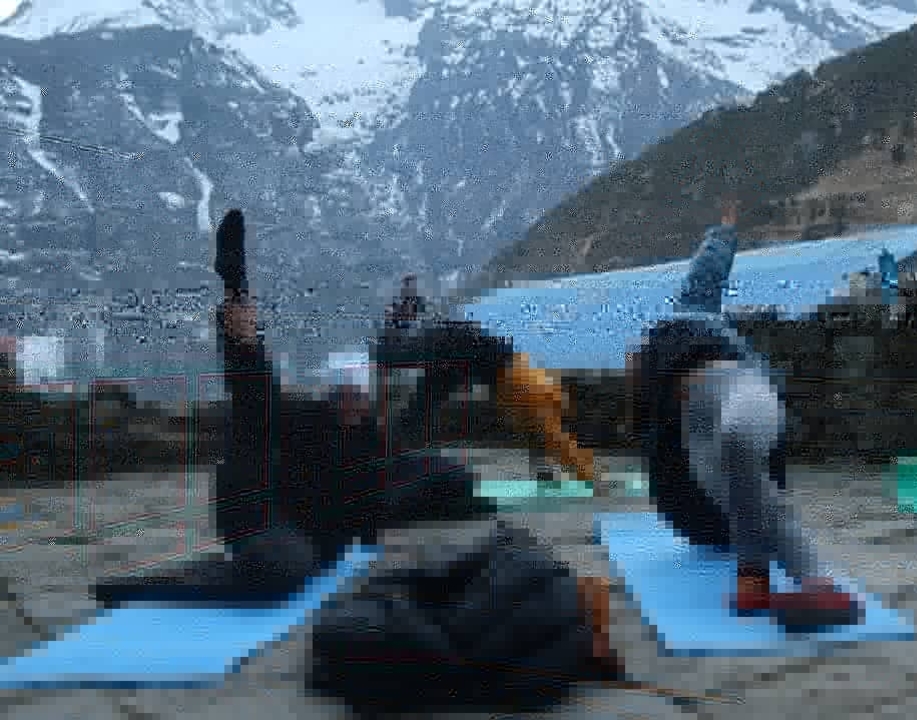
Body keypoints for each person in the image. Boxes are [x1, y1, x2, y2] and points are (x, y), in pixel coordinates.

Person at [92, 209, 620, 713]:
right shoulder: (308, 419)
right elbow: (257, 398)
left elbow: (403, 467)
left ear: (366, 400)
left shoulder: (370, 433)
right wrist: (244, 340)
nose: (351, 404)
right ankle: (147, 586)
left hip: (318, 529)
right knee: (283, 560)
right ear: (332, 395)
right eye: (343, 395)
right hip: (262, 510)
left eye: (358, 397)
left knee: (445, 477)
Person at [628, 205, 863, 629]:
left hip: (738, 385)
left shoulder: (690, 317)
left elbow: (707, 272)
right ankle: (763, 576)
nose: (632, 358)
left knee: (737, 441)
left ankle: (811, 581)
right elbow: (663, 469)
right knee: (733, 483)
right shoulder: (656, 399)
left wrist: (726, 229)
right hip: (695, 422)